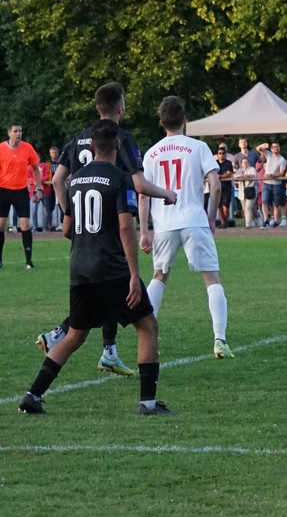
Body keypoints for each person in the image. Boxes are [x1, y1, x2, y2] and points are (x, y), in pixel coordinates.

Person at [18, 120, 173, 416]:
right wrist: (133, 274)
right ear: (117, 145)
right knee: (147, 326)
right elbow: (126, 227)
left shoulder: (75, 180)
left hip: (80, 267)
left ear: (91, 145)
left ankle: (32, 396)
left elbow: (67, 229)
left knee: (75, 334)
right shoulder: (120, 178)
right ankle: (148, 404)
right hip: (111, 267)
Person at [37, 83, 178, 376]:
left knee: (100, 295)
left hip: (83, 229)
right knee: (122, 291)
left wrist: (70, 214)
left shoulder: (79, 138)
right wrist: (166, 194)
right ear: (120, 108)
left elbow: (58, 179)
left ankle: (105, 350)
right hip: (111, 224)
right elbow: (138, 184)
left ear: (97, 107)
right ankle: (77, 339)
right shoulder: (120, 138)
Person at [139, 96, 234, 359]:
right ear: (185, 120)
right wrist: (211, 218)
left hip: (164, 224)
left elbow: (143, 194)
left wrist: (144, 230)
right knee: (211, 279)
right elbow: (216, 185)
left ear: (161, 121)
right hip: (194, 219)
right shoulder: (198, 147)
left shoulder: (152, 153)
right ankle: (219, 339)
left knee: (159, 277)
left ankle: (148, 335)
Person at [0, 122, 43, 269]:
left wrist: (39, 188)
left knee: (25, 224)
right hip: (3, 190)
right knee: (1, 225)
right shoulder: (1, 148)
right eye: (15, 131)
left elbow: (36, 169)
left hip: (21, 191)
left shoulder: (27, 148)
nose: (18, 134)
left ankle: (29, 261)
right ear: (9, 133)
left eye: (20, 131)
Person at [255, 140, 287, 227]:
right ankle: (266, 219)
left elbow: (281, 173)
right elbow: (258, 149)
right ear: (271, 149)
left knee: (276, 203)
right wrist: (263, 145)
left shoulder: (282, 160)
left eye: (277, 147)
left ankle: (276, 220)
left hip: (276, 184)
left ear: (279, 148)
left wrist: (271, 175)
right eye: (274, 147)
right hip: (266, 183)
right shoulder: (268, 155)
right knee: (264, 201)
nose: (275, 148)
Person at [234, 157, 259, 228]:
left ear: (248, 163)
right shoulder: (240, 170)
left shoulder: (252, 169)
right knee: (245, 208)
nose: (245, 164)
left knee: (248, 208)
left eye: (246, 162)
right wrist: (239, 176)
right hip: (242, 192)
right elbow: (234, 176)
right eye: (243, 162)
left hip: (250, 191)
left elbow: (254, 175)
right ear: (241, 164)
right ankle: (252, 220)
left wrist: (245, 176)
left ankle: (248, 224)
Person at [29, 155, 51, 232]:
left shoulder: (44, 166)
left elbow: (47, 176)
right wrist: (34, 180)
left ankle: (45, 227)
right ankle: (35, 226)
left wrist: (39, 180)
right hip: (34, 191)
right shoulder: (29, 167)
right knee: (34, 209)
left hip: (44, 190)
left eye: (37, 158)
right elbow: (27, 177)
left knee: (46, 209)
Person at [214, 144, 234, 228]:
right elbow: (213, 173)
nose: (221, 155)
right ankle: (223, 223)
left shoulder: (228, 163)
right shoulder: (214, 163)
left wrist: (219, 176)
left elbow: (229, 173)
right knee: (219, 207)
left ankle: (225, 222)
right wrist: (219, 176)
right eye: (220, 153)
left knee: (226, 208)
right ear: (217, 155)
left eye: (223, 153)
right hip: (217, 188)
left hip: (227, 188)